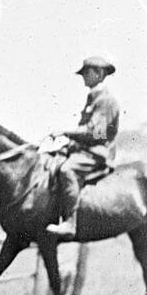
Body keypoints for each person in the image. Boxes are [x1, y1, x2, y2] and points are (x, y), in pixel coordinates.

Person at [45, 56, 120, 236]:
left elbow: (96, 133)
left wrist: (66, 132)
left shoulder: (106, 100)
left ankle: (71, 223)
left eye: (87, 72)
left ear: (99, 73)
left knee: (67, 170)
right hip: (86, 150)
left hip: (98, 153)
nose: (83, 77)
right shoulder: (94, 97)